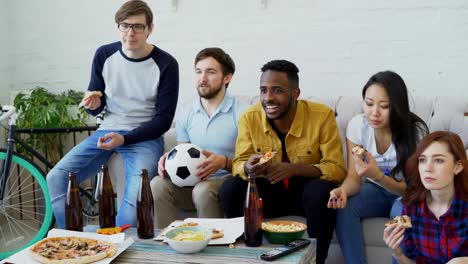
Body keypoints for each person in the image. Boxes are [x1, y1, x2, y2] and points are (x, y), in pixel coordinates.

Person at [46, 0, 179, 228]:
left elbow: (164, 120)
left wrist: (126, 138)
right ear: (118, 26)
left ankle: (116, 246)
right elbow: (96, 103)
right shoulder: (104, 55)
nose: (130, 32)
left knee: (136, 199)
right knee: (56, 178)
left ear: (150, 29)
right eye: (125, 25)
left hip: (144, 138)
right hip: (107, 130)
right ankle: (73, 240)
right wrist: (92, 104)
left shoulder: (166, 64)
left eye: (138, 26)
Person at [219, 60, 346, 264]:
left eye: (277, 90)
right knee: (231, 188)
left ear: (295, 93)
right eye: (263, 90)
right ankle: (243, 257)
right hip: (268, 194)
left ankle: (316, 260)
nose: (268, 98)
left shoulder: (322, 116)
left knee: (321, 191)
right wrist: (248, 166)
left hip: (306, 197)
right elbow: (238, 163)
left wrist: (294, 169)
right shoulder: (249, 118)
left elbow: (337, 169)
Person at [327, 71, 428, 264]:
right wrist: (343, 190)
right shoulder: (358, 126)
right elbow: (353, 178)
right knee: (345, 206)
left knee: (400, 217)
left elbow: (415, 188)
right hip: (375, 191)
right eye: (369, 103)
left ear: (397, 107)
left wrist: (379, 176)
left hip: (407, 195)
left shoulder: (416, 133)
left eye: (384, 106)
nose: (374, 112)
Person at [151, 47, 247, 229]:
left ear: (227, 78)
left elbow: (251, 162)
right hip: (193, 183)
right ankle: (169, 243)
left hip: (228, 184)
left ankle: (213, 247)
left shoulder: (243, 113)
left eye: (210, 72)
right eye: (198, 71)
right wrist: (169, 160)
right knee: (157, 184)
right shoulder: (186, 112)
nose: (202, 79)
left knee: (203, 190)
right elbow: (183, 152)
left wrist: (224, 162)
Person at [384, 131, 468, 264]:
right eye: (422, 160)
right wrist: (398, 254)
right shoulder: (411, 207)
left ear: (457, 167)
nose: (427, 168)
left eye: (438, 160)